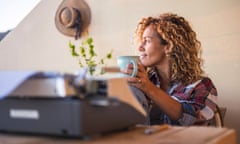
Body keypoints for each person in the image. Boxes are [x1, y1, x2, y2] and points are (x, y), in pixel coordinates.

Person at [123, 12, 218, 126]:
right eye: (141, 41)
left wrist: (148, 87)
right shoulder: (143, 81)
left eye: (147, 40)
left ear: (168, 46)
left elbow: (189, 120)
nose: (140, 47)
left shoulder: (201, 86)